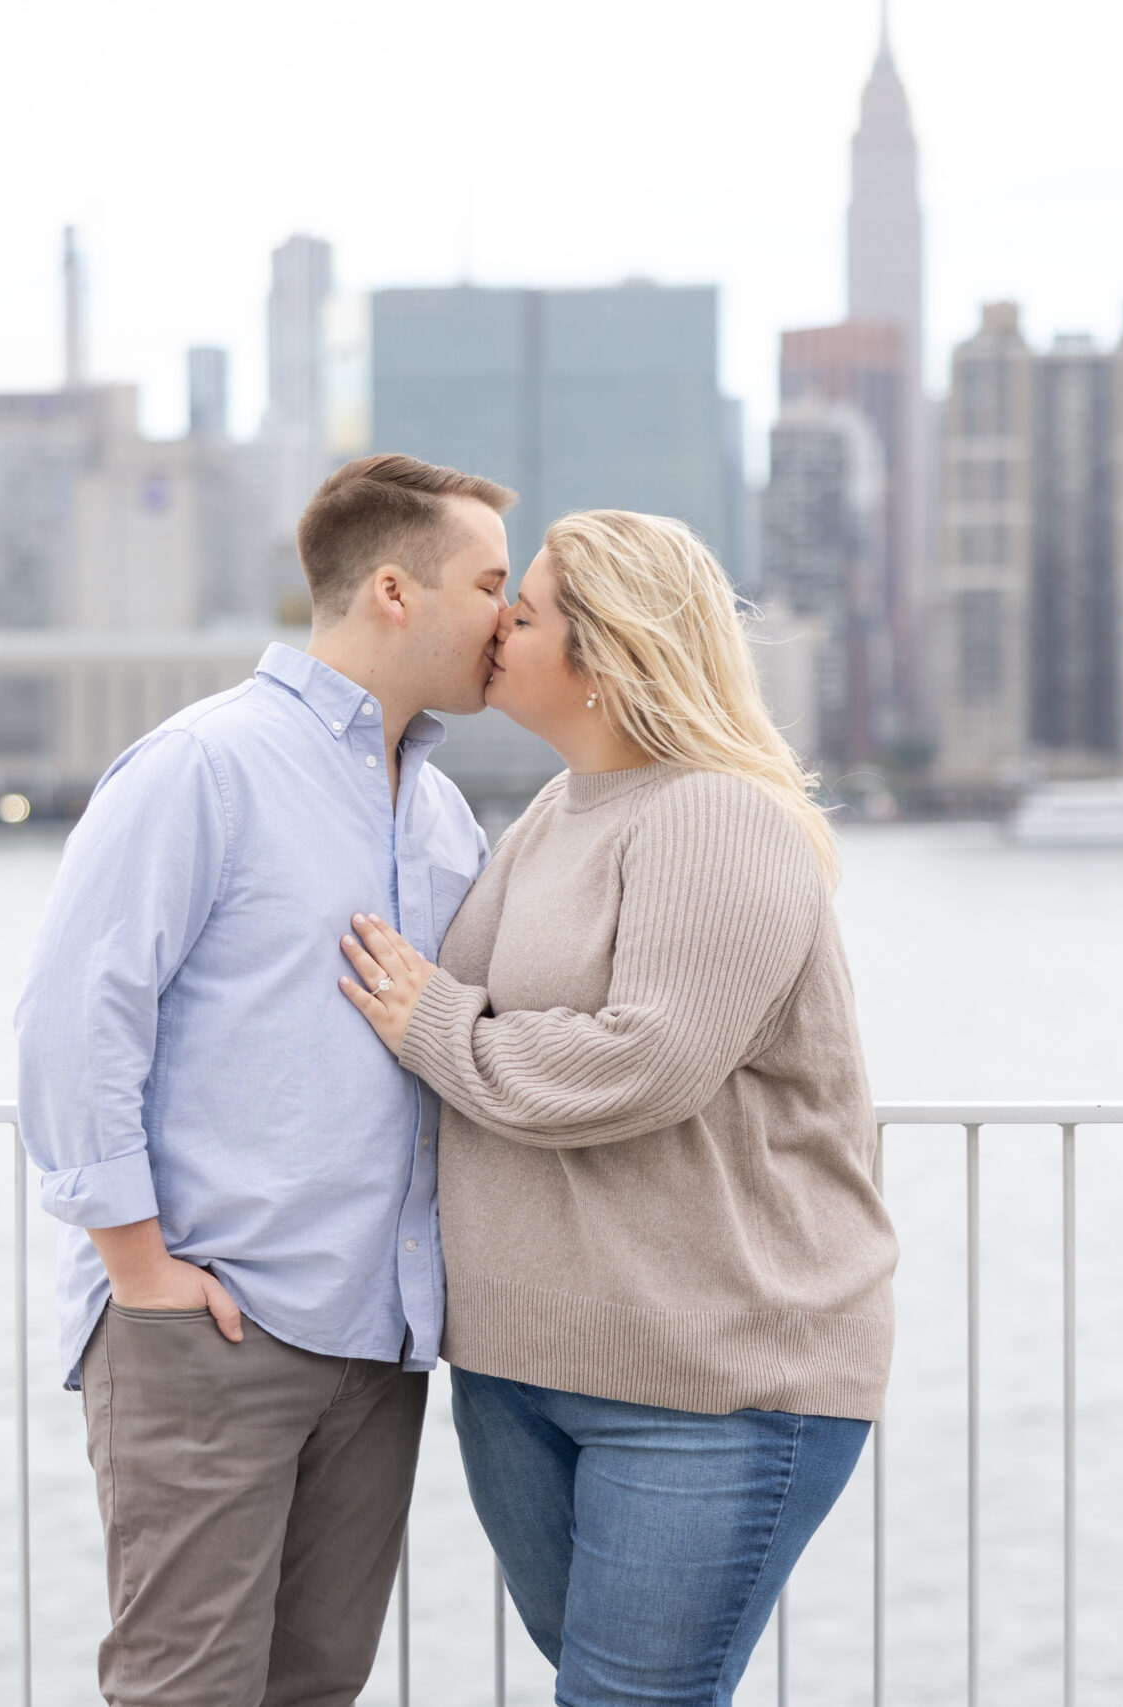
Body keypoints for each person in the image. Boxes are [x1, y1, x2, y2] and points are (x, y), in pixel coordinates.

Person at [335, 509, 898, 1706]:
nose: (497, 624)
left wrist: (435, 1023)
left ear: (608, 656)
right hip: (518, 1370)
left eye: (527, 611)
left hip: (708, 1383)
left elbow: (647, 1060)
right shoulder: (557, 810)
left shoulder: (715, 815)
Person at [15, 453, 516, 1706]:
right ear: (393, 591)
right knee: (185, 1691)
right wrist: (141, 1272)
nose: (507, 617)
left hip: (379, 1346)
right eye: (488, 584)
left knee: (315, 1690)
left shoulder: (441, 815)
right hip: (210, 1325)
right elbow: (72, 1021)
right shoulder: (204, 765)